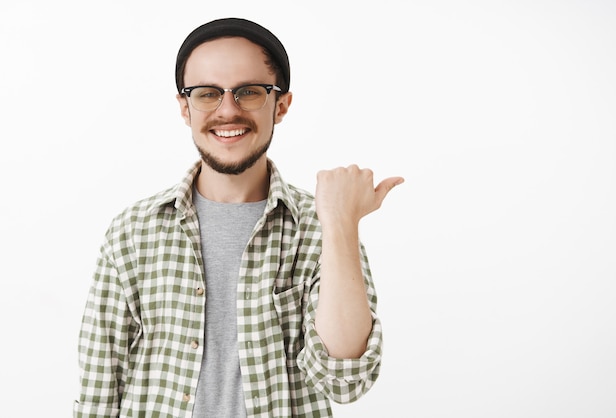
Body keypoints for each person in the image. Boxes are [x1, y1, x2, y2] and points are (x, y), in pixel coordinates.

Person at [74, 17, 404, 418]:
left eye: (248, 92)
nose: (227, 111)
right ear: (185, 107)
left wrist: (339, 223)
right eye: (207, 93)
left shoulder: (323, 230)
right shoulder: (132, 232)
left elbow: (345, 379)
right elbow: (99, 388)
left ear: (280, 105)